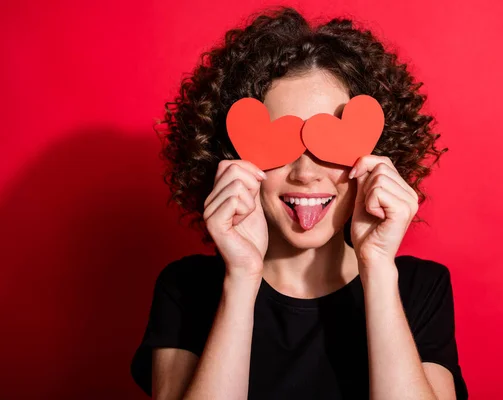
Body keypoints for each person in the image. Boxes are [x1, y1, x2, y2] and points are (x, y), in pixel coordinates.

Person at [130, 6, 468, 400]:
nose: (306, 174)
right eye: (280, 143)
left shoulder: (418, 288)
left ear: (377, 155)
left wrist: (376, 265)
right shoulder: (186, 288)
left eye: (332, 145)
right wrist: (241, 278)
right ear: (233, 157)